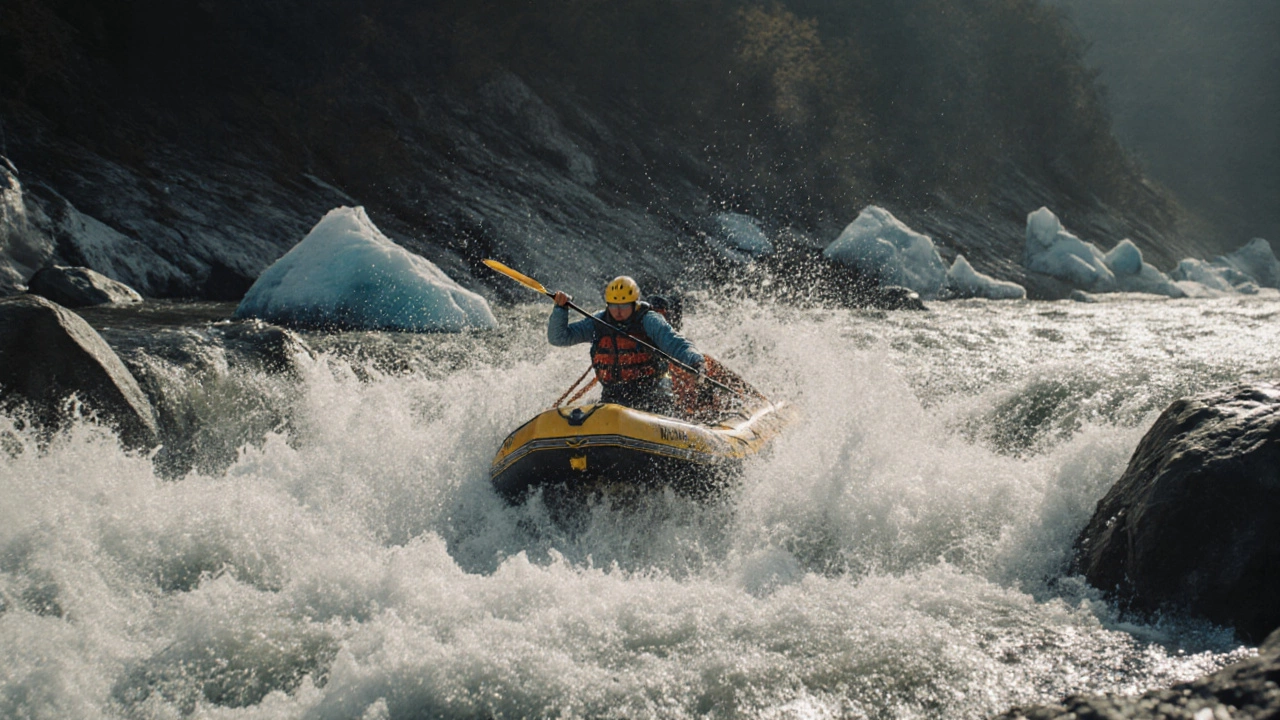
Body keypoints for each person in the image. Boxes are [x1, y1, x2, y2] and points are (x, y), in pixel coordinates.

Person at [548, 276, 704, 415]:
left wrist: (695, 361)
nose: (618, 312)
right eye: (613, 306)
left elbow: (675, 343)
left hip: (652, 394)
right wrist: (560, 309)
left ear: (634, 304)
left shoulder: (649, 320)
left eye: (623, 306)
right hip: (613, 396)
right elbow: (559, 338)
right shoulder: (598, 322)